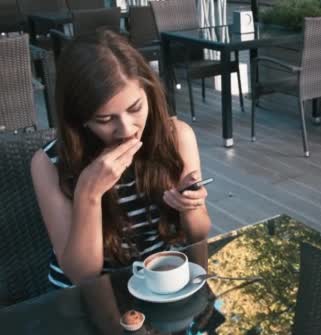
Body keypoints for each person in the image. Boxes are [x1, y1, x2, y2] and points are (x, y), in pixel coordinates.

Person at [30, 30, 212, 288]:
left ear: (148, 92)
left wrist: (190, 207)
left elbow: (199, 233)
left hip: (160, 280)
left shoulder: (177, 138)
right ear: (79, 119)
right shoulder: (48, 164)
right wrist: (88, 193)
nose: (126, 129)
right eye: (104, 120)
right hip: (90, 295)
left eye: (135, 108)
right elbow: (82, 276)